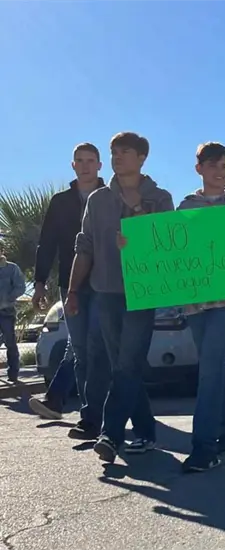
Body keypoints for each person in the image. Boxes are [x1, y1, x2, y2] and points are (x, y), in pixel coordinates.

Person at [67, 132, 175, 463]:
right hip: (106, 292)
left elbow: (169, 245)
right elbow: (84, 247)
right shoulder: (97, 199)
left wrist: (138, 213)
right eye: (114, 152)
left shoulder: (160, 198)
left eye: (124, 152)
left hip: (142, 294)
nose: (116, 157)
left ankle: (111, 434)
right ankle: (146, 431)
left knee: (127, 363)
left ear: (142, 157)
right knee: (122, 366)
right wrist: (72, 290)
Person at [175, 142, 225, 473]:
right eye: (213, 165)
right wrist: (132, 244)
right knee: (214, 365)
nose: (220, 172)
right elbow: (174, 251)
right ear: (199, 169)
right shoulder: (186, 207)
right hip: (196, 300)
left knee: (209, 364)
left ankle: (204, 447)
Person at [28, 143, 109, 438]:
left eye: (90, 160)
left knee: (95, 346)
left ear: (100, 165)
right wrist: (39, 283)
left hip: (105, 283)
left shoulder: (112, 197)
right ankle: (86, 413)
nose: (85, 165)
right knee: (80, 347)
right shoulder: (60, 202)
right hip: (70, 284)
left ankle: (91, 412)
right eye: (79, 161)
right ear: (72, 165)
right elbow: (47, 242)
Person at [0, 248, 25, 383]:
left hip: (6, 311)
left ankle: (13, 373)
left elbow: (20, 287)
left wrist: (8, 298)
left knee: (10, 342)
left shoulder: (11, 269)